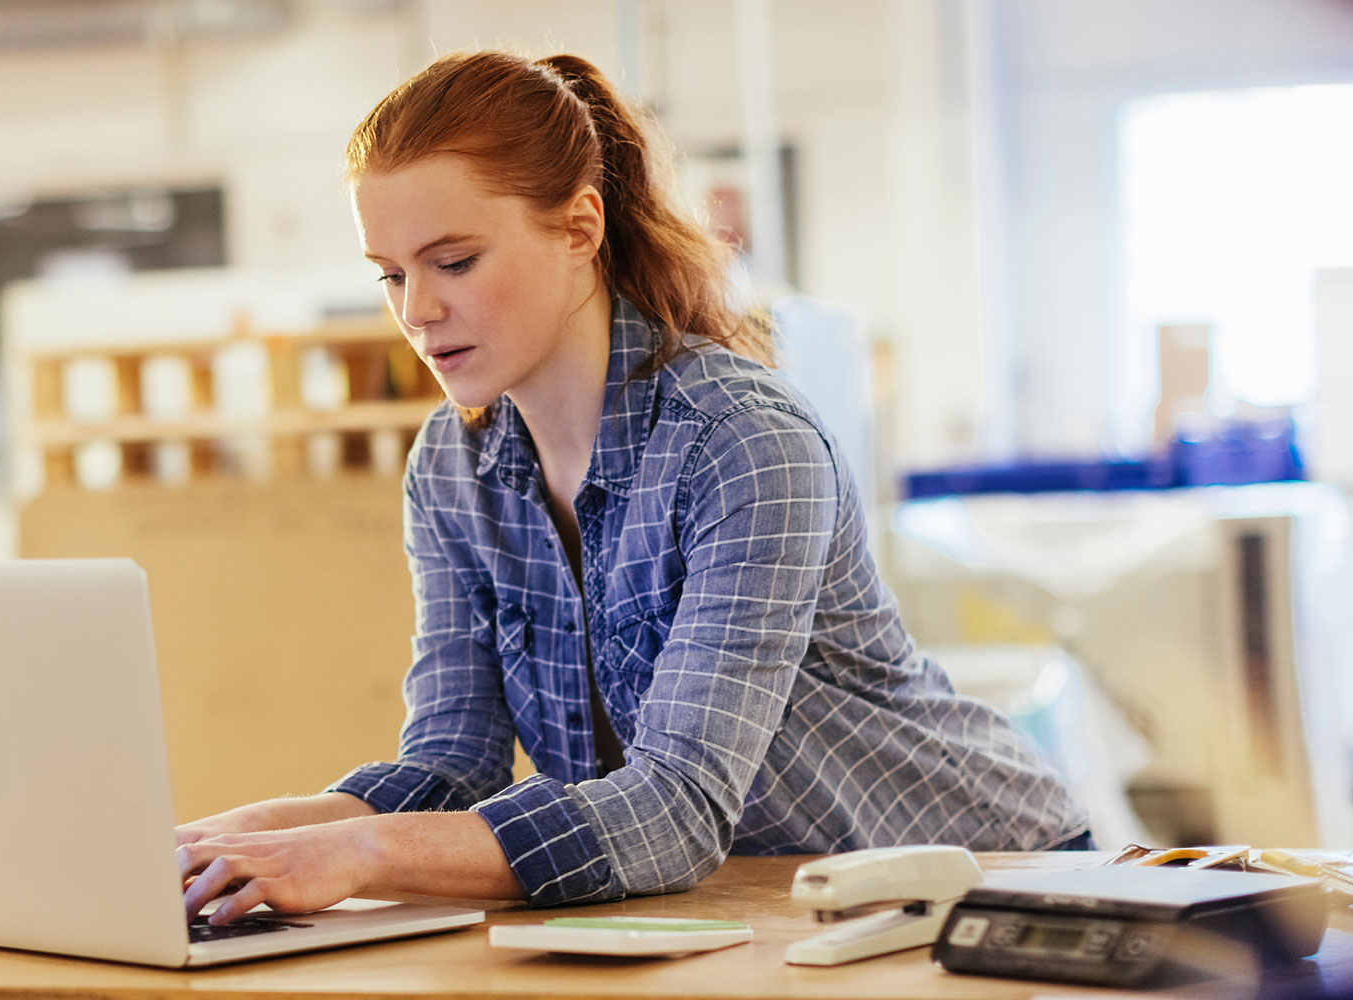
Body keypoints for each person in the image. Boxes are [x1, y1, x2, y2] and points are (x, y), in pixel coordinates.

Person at [175, 50, 1089, 924]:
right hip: (755, 900)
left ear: (579, 228)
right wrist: (234, 838)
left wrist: (361, 855)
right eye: (391, 275)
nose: (417, 311)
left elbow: (675, 810)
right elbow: (452, 765)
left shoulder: (743, 443)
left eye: (454, 262)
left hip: (990, 879)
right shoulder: (452, 466)